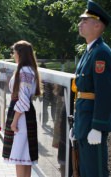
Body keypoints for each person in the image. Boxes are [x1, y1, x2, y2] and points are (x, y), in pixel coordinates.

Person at [69, 1, 111, 177]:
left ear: (97, 25)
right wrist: (77, 125)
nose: (80, 23)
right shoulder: (89, 52)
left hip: (93, 123)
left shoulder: (101, 52)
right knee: (85, 169)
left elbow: (104, 92)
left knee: (96, 171)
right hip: (84, 121)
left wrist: (99, 127)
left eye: (85, 20)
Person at [2, 40, 41, 177]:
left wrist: (14, 121)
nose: (13, 55)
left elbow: (23, 100)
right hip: (26, 113)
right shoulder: (30, 69)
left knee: (19, 154)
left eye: (14, 52)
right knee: (26, 156)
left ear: (20, 53)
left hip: (21, 115)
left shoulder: (24, 70)